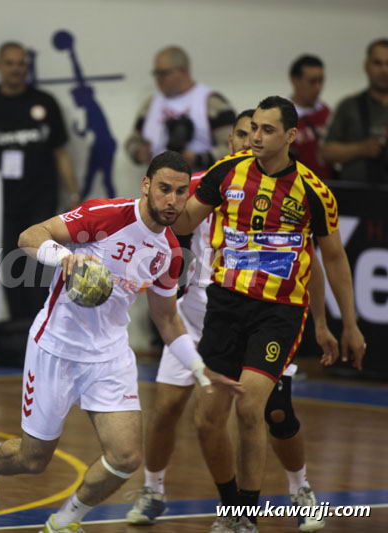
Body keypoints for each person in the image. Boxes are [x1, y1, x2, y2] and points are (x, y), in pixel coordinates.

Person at [0, 151, 244, 533]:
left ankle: (65, 520)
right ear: (146, 186)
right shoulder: (107, 214)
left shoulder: (170, 253)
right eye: (164, 189)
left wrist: (200, 370)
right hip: (56, 347)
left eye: (181, 192)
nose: (173, 201)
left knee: (126, 457)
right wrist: (66, 258)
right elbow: (29, 236)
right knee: (34, 459)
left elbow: (166, 319)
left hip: (109, 355)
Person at [126, 110, 337, 533]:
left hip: (265, 313)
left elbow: (308, 258)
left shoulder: (280, 190)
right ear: (229, 142)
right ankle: (154, 490)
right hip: (197, 317)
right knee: (168, 409)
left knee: (274, 413)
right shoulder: (207, 182)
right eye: (242, 134)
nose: (248, 141)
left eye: (256, 133)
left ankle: (300, 489)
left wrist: (320, 320)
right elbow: (159, 221)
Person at [174, 96, 367, 532]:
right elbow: (185, 222)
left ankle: (249, 513)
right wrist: (154, 206)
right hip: (224, 306)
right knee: (205, 419)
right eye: (253, 128)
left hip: (279, 312)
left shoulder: (313, 191)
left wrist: (345, 324)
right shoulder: (228, 172)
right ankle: (231, 508)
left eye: (266, 130)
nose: (257, 137)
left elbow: (331, 260)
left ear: (290, 136)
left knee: (253, 407)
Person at [0, 41, 80, 321]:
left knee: (40, 263)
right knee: (10, 266)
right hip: (1, 204)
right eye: (10, 63)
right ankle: (18, 328)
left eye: (21, 64)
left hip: (41, 199)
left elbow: (61, 153)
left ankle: (42, 322)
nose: (16, 70)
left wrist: (72, 194)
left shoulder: (45, 103)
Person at [124, 46, 236, 172]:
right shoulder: (151, 104)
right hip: (158, 184)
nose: (158, 79)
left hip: (201, 183)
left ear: (183, 71)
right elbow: (132, 140)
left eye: (164, 73)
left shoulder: (211, 102)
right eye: (156, 73)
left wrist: (198, 158)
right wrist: (138, 152)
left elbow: (234, 147)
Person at [322, 38, 388, 183]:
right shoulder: (349, 106)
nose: (384, 70)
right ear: (366, 66)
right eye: (377, 63)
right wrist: (362, 149)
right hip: (355, 196)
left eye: (387, 63)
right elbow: (326, 152)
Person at [289, 55, 334, 180]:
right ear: (295, 81)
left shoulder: (327, 114)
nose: (318, 88)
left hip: (327, 185)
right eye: (312, 81)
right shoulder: (284, 117)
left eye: (321, 81)